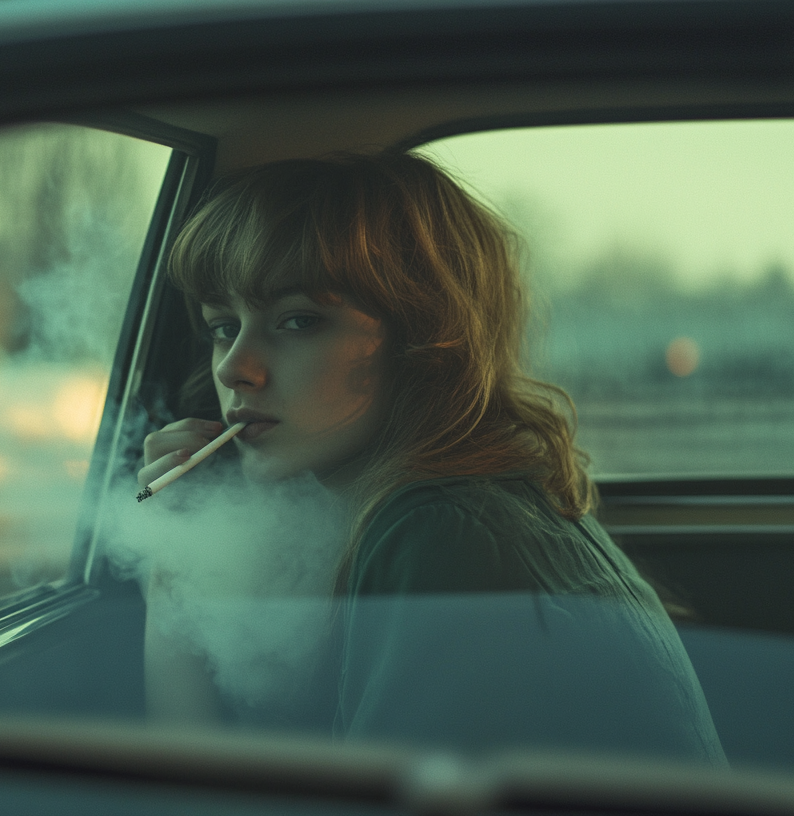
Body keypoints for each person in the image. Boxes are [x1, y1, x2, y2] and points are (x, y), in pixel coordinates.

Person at [136, 152, 725, 763]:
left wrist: (173, 574)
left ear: (424, 339)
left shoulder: (441, 532)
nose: (234, 368)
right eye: (223, 327)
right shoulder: (475, 505)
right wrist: (179, 562)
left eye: (298, 321)